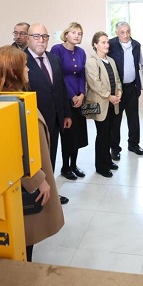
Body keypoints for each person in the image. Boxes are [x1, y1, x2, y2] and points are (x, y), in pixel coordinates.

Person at [0, 45, 64, 262]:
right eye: (25, 66)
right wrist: (37, 179)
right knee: (23, 240)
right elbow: (10, 150)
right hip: (25, 185)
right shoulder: (8, 105)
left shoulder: (10, 98)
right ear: (13, 72)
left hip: (27, 181)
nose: (28, 70)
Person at [26, 23, 72, 204]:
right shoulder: (21, 60)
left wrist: (66, 114)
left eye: (44, 36)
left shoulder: (54, 59)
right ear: (28, 38)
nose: (41, 40)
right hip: (34, 122)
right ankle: (35, 195)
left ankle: (50, 193)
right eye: (36, 36)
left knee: (50, 157)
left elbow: (60, 88)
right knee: (36, 160)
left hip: (54, 120)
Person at [50, 22, 88, 180]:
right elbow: (58, 75)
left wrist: (82, 94)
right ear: (66, 34)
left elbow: (82, 74)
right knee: (68, 135)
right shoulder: (57, 50)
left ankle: (74, 165)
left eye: (79, 33)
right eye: (73, 32)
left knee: (77, 134)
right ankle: (65, 167)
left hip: (79, 97)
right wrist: (72, 95)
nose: (77, 36)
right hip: (65, 98)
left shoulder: (81, 52)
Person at [85, 32, 122, 178]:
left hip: (113, 103)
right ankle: (101, 166)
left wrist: (119, 92)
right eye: (103, 42)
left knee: (110, 134)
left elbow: (117, 79)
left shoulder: (111, 60)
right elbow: (95, 84)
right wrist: (109, 96)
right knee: (102, 135)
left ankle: (107, 161)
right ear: (95, 44)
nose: (107, 45)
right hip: (101, 104)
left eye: (107, 42)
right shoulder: (92, 62)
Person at [107, 21, 143, 161]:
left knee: (134, 118)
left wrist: (140, 85)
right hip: (118, 89)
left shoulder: (136, 45)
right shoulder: (111, 45)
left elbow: (140, 65)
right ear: (116, 33)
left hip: (132, 88)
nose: (126, 35)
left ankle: (133, 144)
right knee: (116, 120)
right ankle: (115, 148)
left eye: (128, 31)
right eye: (122, 32)